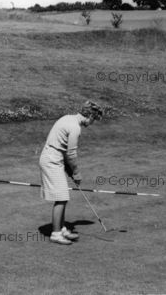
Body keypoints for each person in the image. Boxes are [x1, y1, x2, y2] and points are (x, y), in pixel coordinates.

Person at [39, 100, 103, 245]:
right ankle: (56, 234)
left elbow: (63, 148)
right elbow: (71, 153)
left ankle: (61, 229)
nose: (92, 123)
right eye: (94, 120)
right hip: (51, 160)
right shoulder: (75, 127)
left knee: (63, 196)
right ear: (90, 116)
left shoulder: (67, 118)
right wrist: (76, 172)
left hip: (54, 158)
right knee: (61, 197)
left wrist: (68, 169)